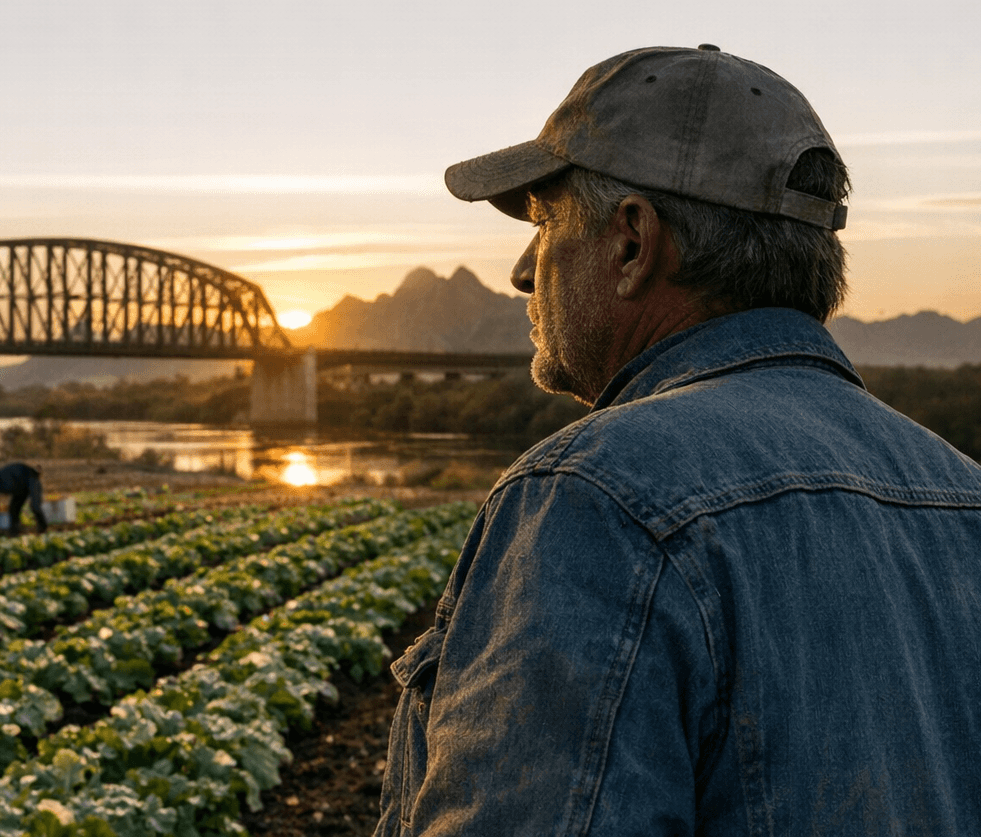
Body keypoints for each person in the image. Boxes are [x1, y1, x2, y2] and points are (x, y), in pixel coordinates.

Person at [377, 45, 981, 835]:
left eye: (544, 224)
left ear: (631, 242)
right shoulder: (964, 495)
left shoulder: (596, 498)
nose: (524, 272)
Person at [0, 461, 47, 535]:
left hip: (13, 487)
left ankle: (11, 529)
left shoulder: (27, 475)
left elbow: (35, 504)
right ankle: (5, 529)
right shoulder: (27, 475)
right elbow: (35, 503)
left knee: (14, 508)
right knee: (9, 508)